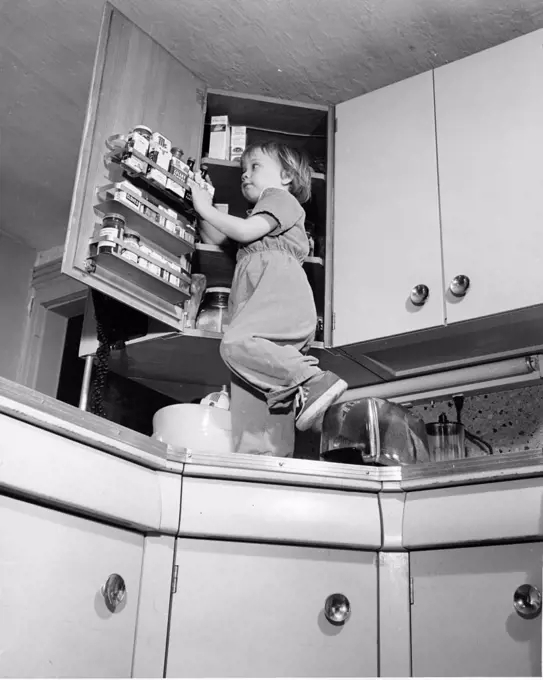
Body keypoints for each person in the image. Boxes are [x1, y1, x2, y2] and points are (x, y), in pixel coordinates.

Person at [190, 141, 347, 440]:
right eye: (242, 170)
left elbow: (243, 231)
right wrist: (200, 209)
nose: (245, 175)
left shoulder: (279, 199)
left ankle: (313, 380)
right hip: (272, 312)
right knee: (261, 402)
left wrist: (204, 207)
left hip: (279, 298)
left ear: (286, 176)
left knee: (234, 344)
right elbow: (223, 240)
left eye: (255, 166)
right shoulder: (260, 223)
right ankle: (269, 453)